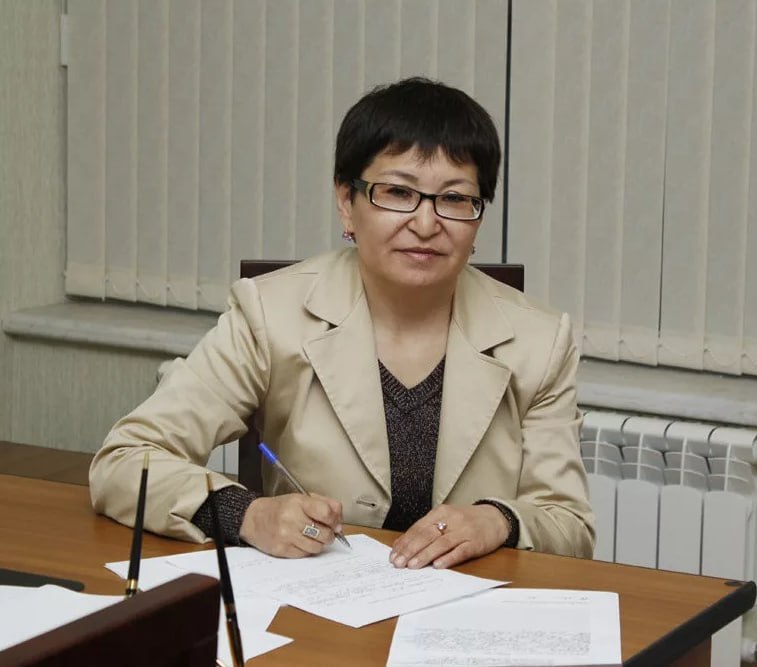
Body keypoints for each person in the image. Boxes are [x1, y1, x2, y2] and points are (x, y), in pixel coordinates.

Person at [90, 77, 595, 569]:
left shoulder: (540, 340)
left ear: (478, 216)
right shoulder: (270, 314)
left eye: (454, 199)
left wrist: (498, 520)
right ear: (345, 203)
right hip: (318, 603)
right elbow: (125, 460)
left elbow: (569, 525)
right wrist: (247, 514)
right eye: (396, 192)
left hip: (471, 606)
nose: (425, 224)